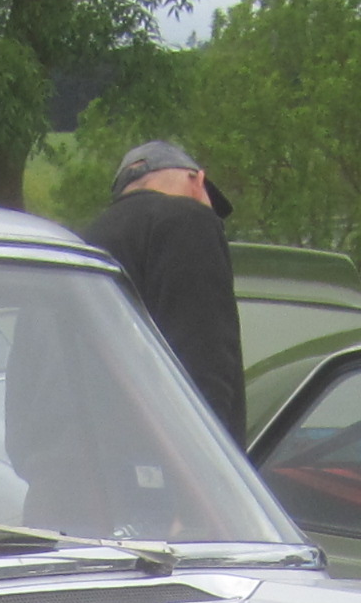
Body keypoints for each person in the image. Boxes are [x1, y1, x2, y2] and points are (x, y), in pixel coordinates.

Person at [85, 138, 244, 436]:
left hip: (69, 468)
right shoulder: (188, 219)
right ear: (197, 180)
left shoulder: (80, 242)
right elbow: (203, 364)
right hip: (168, 466)